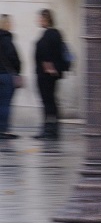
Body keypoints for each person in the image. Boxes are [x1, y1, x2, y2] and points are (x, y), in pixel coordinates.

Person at [32, 9, 69, 140]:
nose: (38, 20)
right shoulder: (56, 33)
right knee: (51, 101)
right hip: (51, 74)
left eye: (40, 18)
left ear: (46, 19)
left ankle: (49, 130)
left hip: (45, 75)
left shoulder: (49, 34)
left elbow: (46, 54)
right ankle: (52, 129)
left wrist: (49, 67)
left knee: (48, 102)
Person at [0, 14, 19, 140]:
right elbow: (13, 57)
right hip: (6, 75)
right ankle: (3, 130)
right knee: (5, 104)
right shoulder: (6, 38)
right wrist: (17, 71)